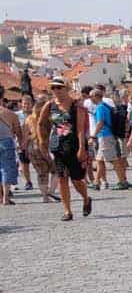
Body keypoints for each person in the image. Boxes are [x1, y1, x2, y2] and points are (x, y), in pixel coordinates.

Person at [32, 79, 92, 220]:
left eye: (59, 87)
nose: (56, 90)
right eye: (53, 88)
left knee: (77, 179)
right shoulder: (50, 105)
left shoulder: (76, 106)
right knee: (62, 178)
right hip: (57, 146)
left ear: (67, 88)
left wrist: (82, 148)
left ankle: (86, 198)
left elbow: (80, 129)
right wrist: (41, 140)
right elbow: (40, 123)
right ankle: (67, 211)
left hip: (74, 145)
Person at [0, 100, 19, 206]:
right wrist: (22, 143)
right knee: (6, 169)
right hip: (6, 142)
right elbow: (17, 130)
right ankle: (6, 198)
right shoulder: (9, 113)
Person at [17, 94, 35, 191]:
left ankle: (43, 181)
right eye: (24, 104)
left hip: (34, 142)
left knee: (38, 164)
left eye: (28, 104)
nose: (26, 106)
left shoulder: (35, 114)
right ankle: (28, 182)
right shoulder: (17, 115)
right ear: (21, 104)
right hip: (21, 143)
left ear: (32, 104)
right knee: (24, 163)